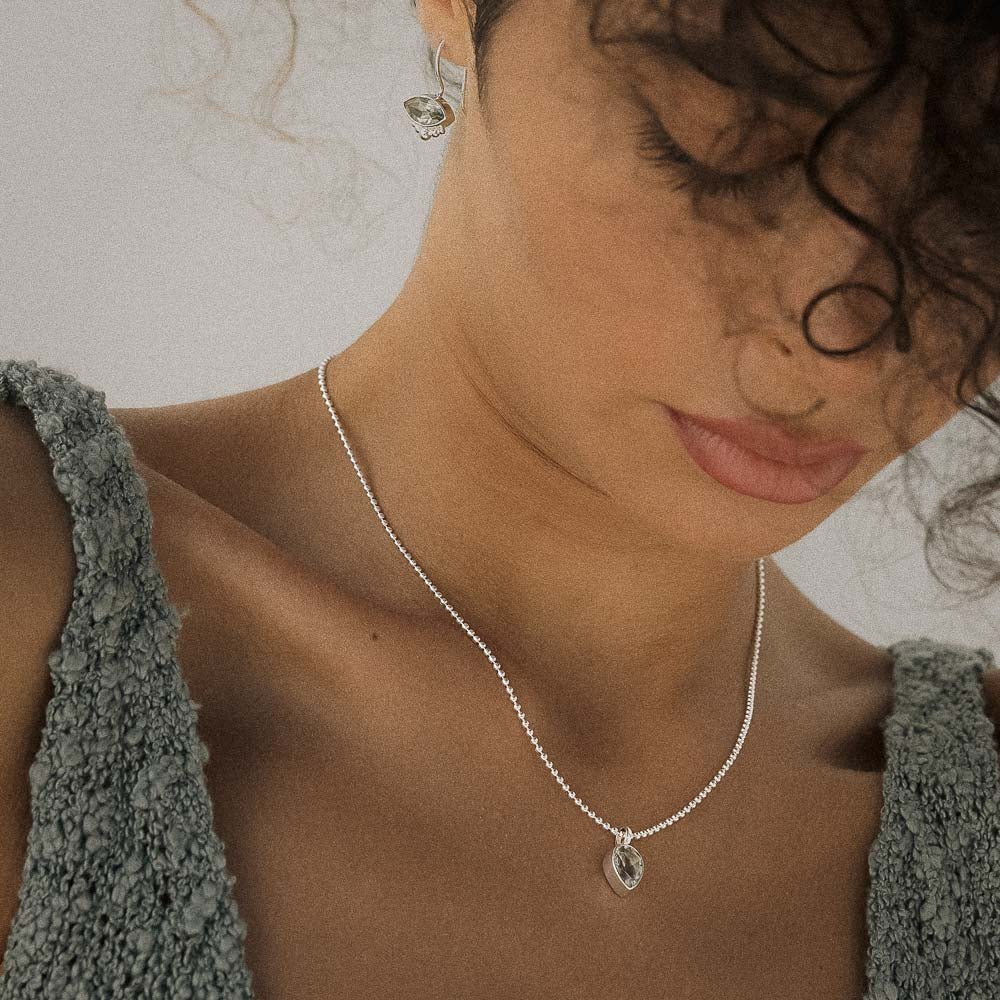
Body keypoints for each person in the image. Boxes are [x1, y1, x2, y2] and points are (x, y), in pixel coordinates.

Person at [2, 1, 1000, 997]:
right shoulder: (38, 590)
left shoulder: (978, 814)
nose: (845, 336)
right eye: (718, 149)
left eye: (976, 195)